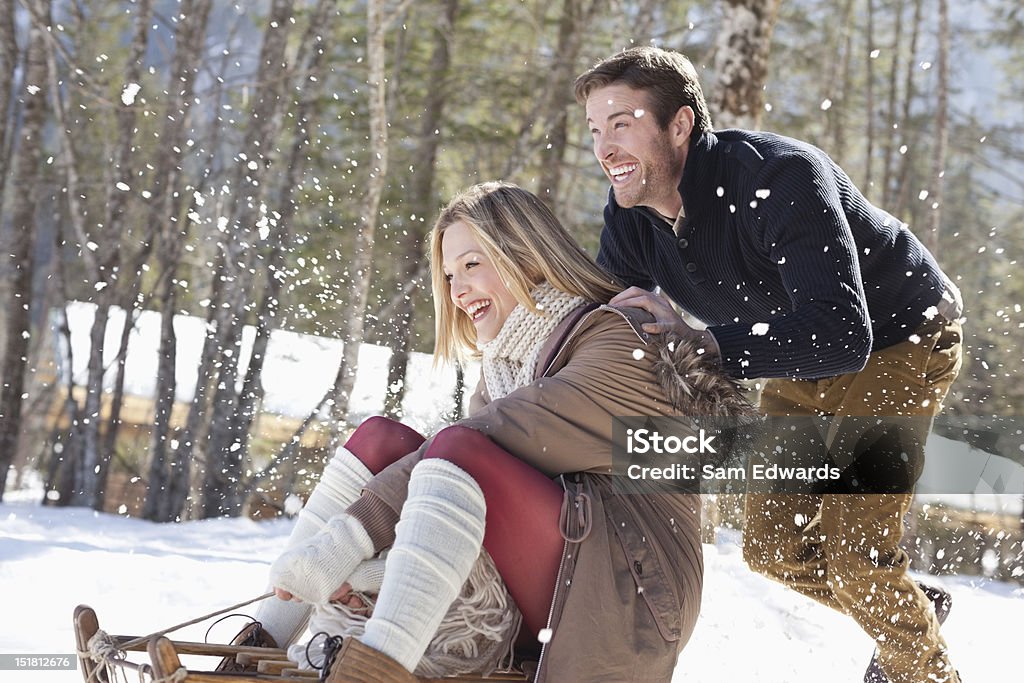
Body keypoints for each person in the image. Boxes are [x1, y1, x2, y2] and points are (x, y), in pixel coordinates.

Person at [228, 181, 751, 682]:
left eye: (472, 265)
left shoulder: (617, 342)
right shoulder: (507, 366)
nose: (457, 291)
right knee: (381, 439)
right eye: (449, 275)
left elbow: (484, 445)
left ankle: (375, 668)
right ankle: (261, 640)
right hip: (548, 578)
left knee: (459, 449)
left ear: (526, 255)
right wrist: (366, 572)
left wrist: (346, 540)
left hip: (629, 596)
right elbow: (463, 516)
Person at [574, 47, 964, 683]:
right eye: (594, 128)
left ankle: (921, 670)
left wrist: (707, 346)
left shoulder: (780, 179)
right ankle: (909, 613)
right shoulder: (631, 216)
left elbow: (842, 333)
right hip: (797, 352)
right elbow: (609, 323)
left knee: (857, 556)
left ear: (680, 125)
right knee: (774, 550)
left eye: (622, 123)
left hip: (901, 338)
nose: (604, 147)